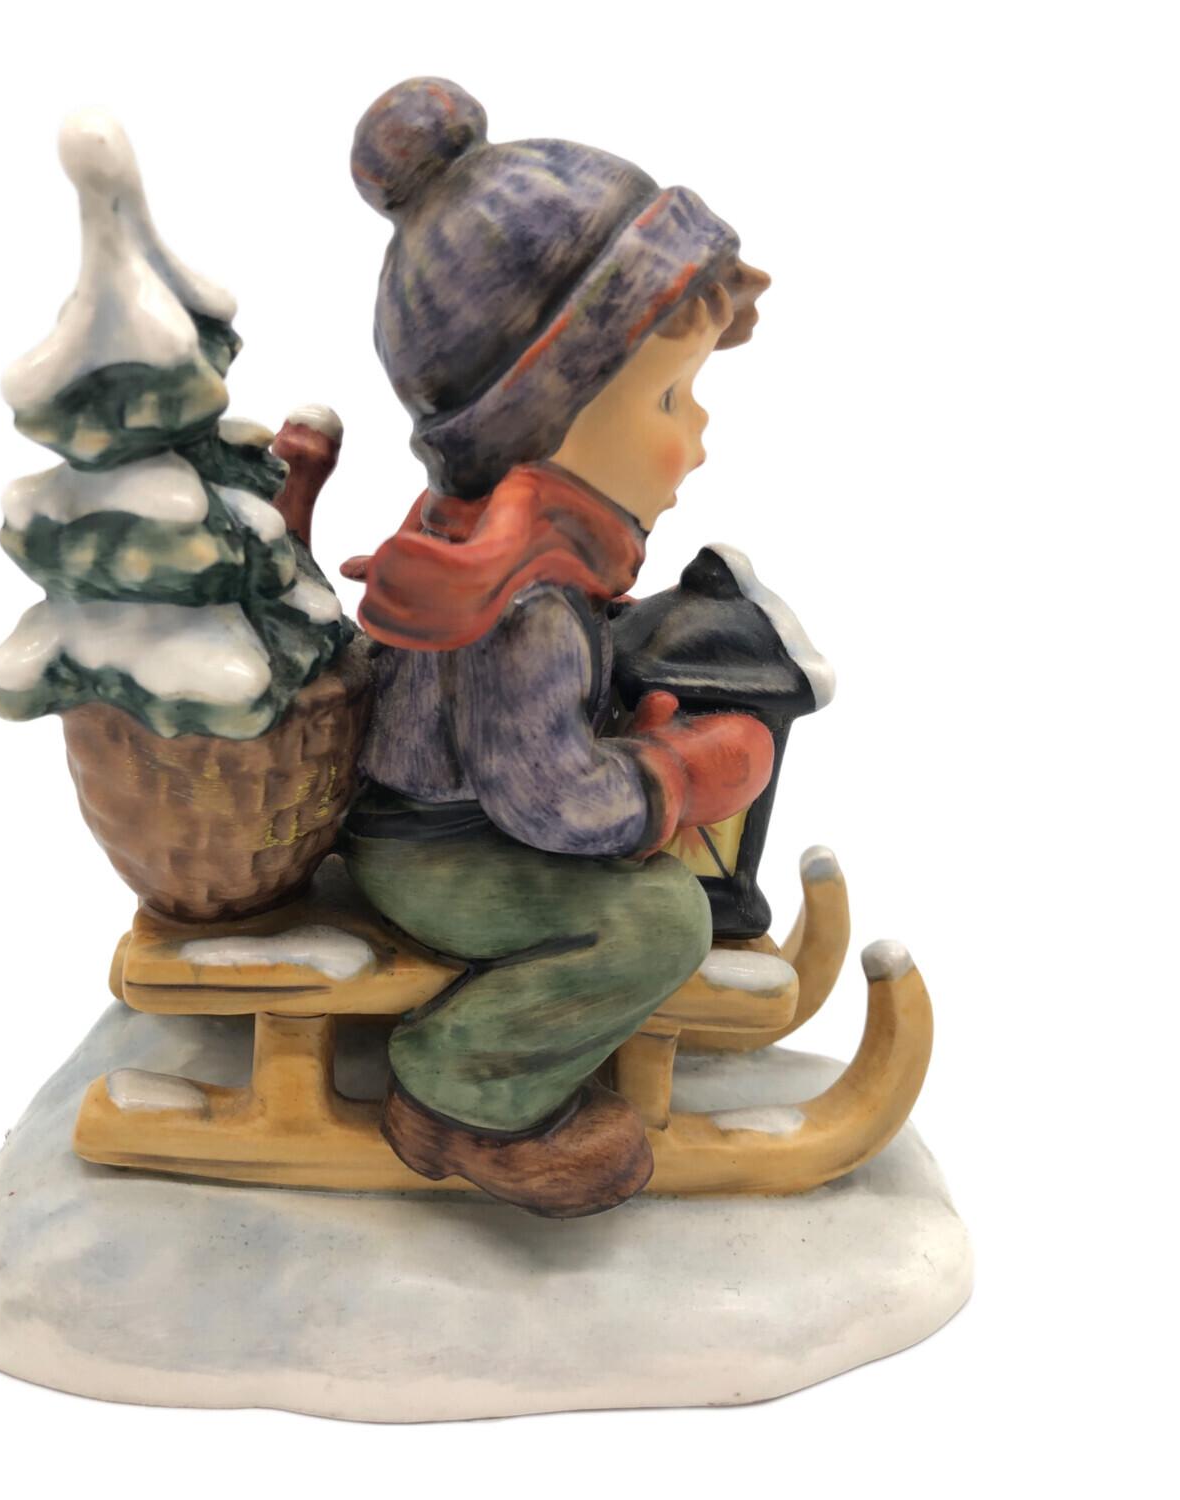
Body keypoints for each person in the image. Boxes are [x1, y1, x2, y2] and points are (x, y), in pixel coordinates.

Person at [340, 78, 775, 1218]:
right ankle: (461, 1093)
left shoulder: (543, 550)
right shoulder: (520, 601)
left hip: (462, 824)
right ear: (547, 418)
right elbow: (544, 800)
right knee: (658, 920)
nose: (697, 437)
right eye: (670, 399)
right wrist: (673, 780)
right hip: (435, 850)